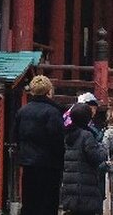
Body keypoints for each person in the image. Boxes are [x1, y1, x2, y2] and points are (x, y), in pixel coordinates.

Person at [12, 74, 65, 215]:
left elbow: (16, 136)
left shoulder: (23, 111)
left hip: (28, 163)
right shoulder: (53, 112)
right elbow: (57, 139)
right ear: (49, 91)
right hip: (49, 165)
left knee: (29, 201)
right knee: (48, 203)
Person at [61, 103, 109, 215]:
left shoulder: (66, 134)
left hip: (69, 184)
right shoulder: (86, 136)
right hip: (85, 184)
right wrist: (103, 148)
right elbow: (96, 157)